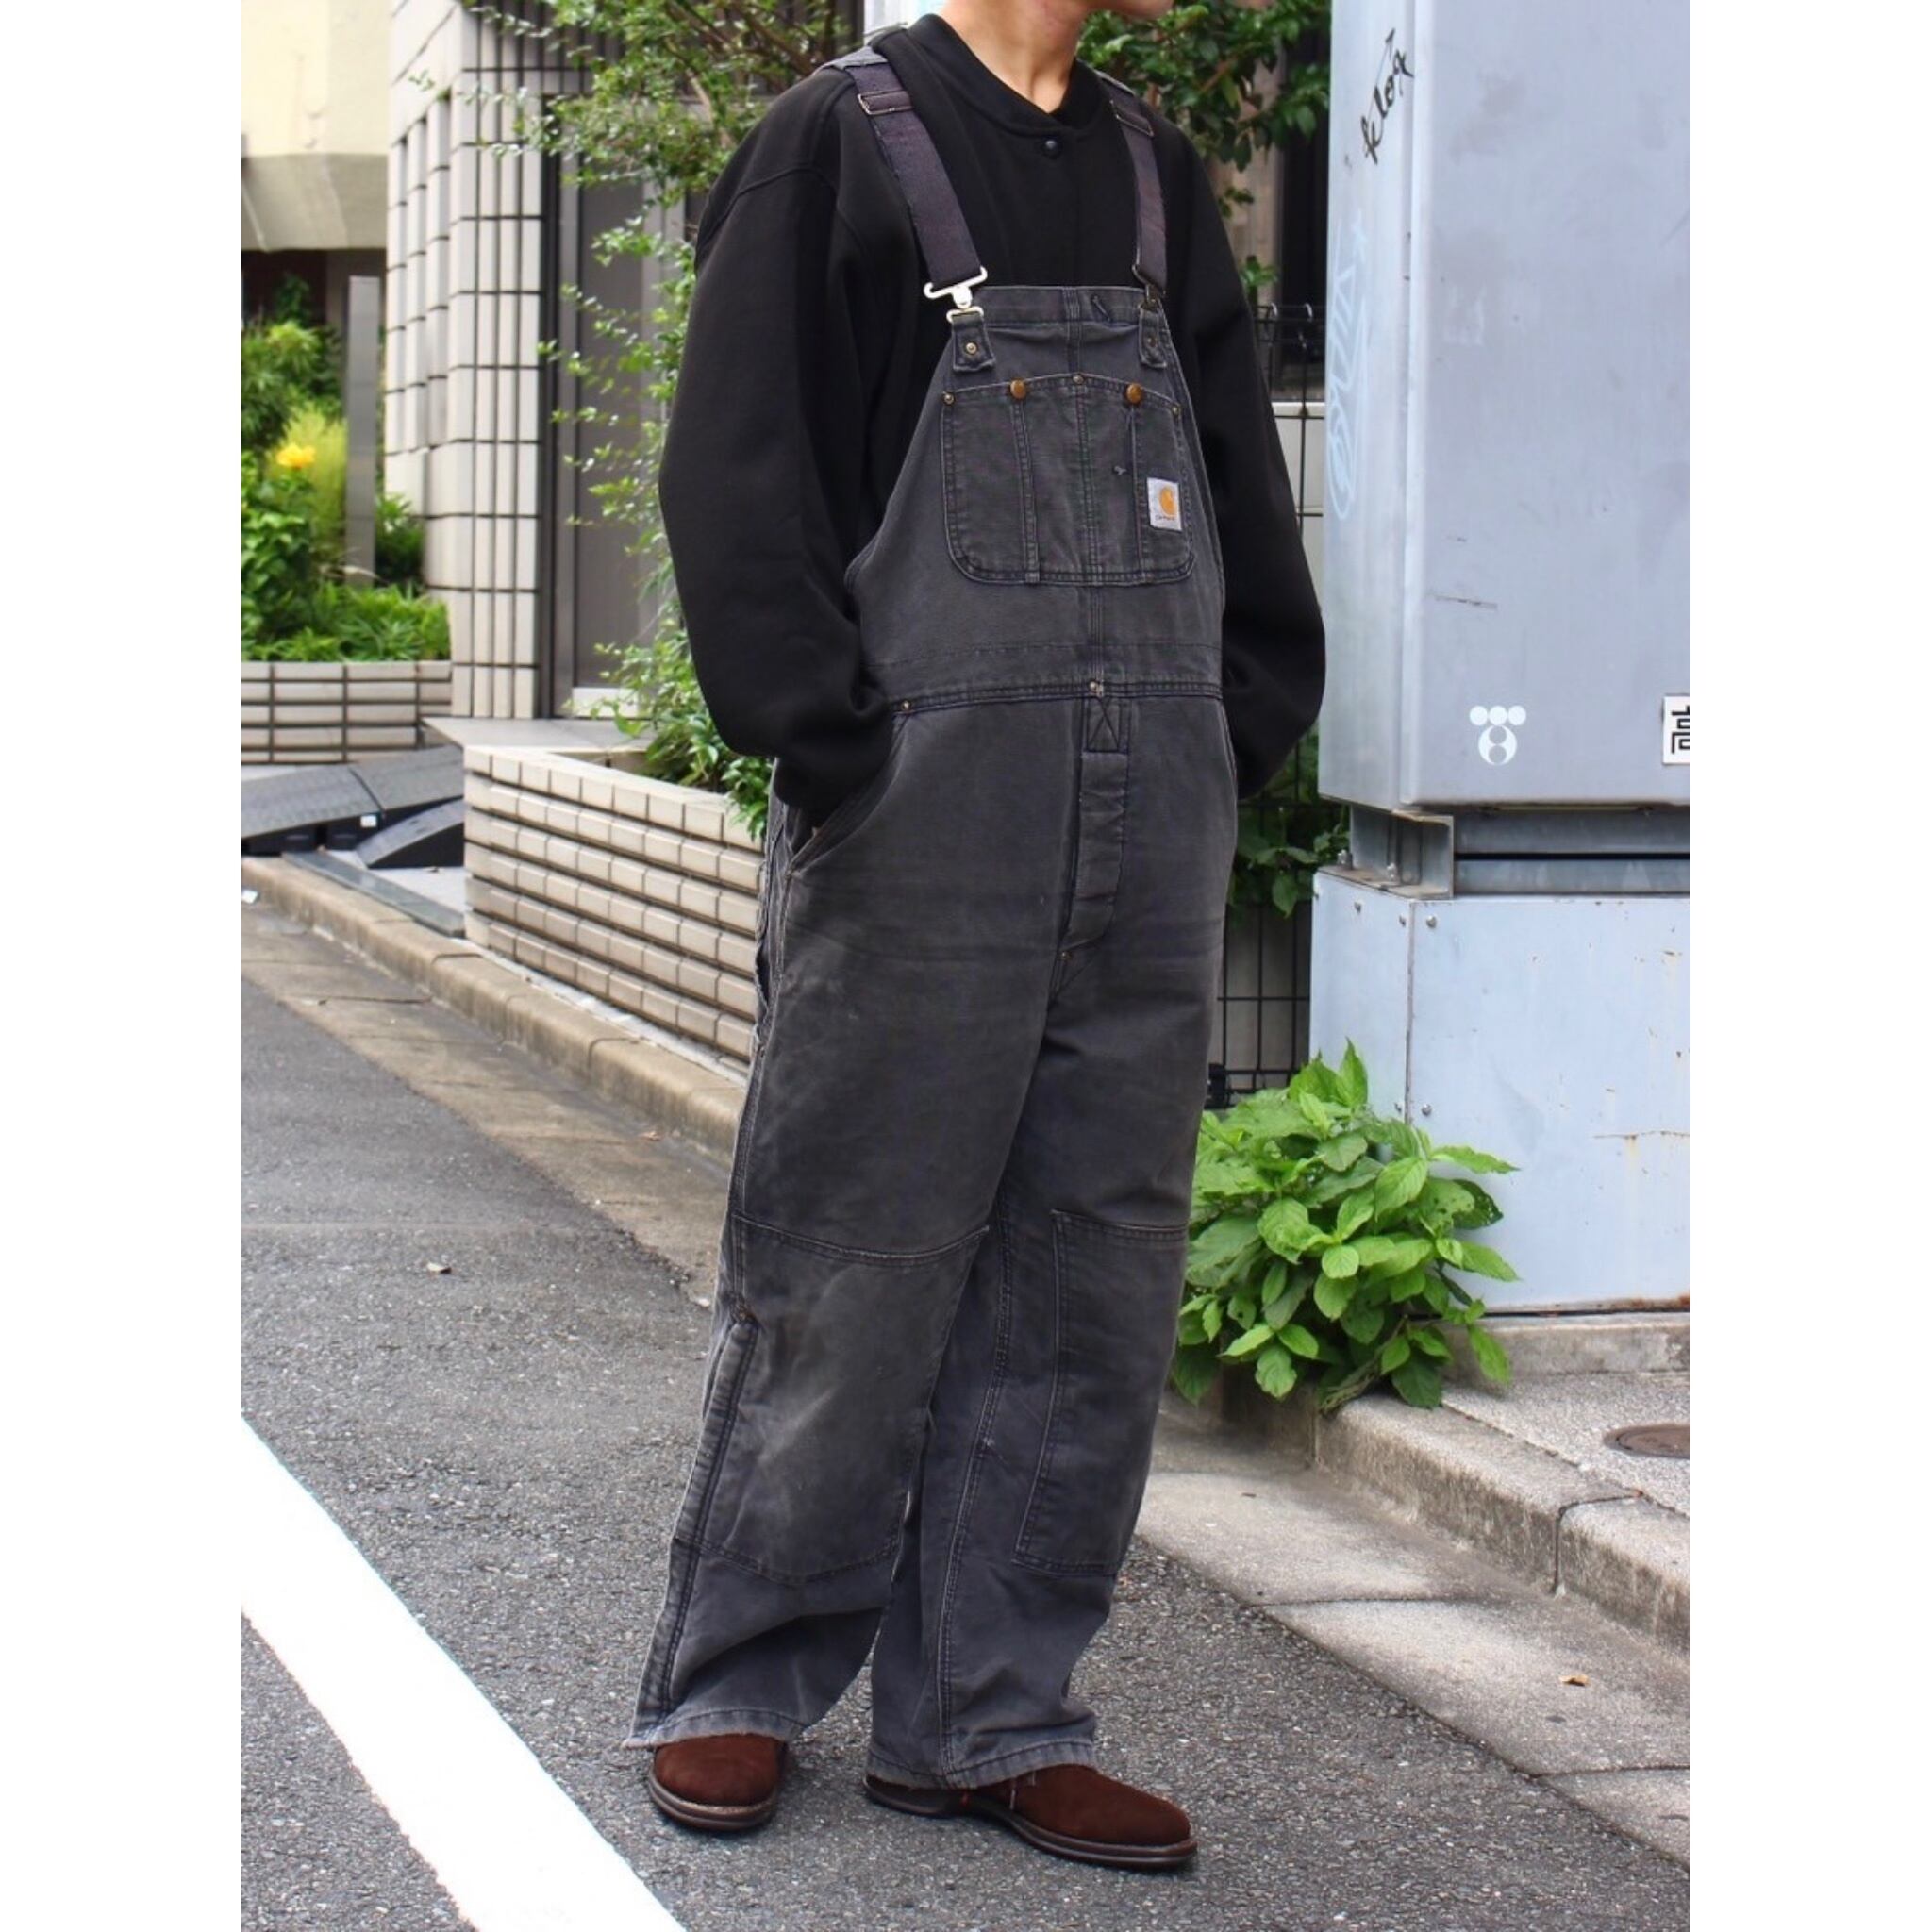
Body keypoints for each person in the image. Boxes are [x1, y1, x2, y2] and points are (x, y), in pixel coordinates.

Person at [621, 0, 1324, 1873]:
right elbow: (738, 472)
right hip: (922, 801)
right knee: (854, 1246)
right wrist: (833, 747)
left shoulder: (1154, 170)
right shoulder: (840, 142)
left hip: (1150, 806)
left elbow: (1238, 484)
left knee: (1093, 1265)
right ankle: (739, 1678)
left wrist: (1237, 721)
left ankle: (993, 1713)